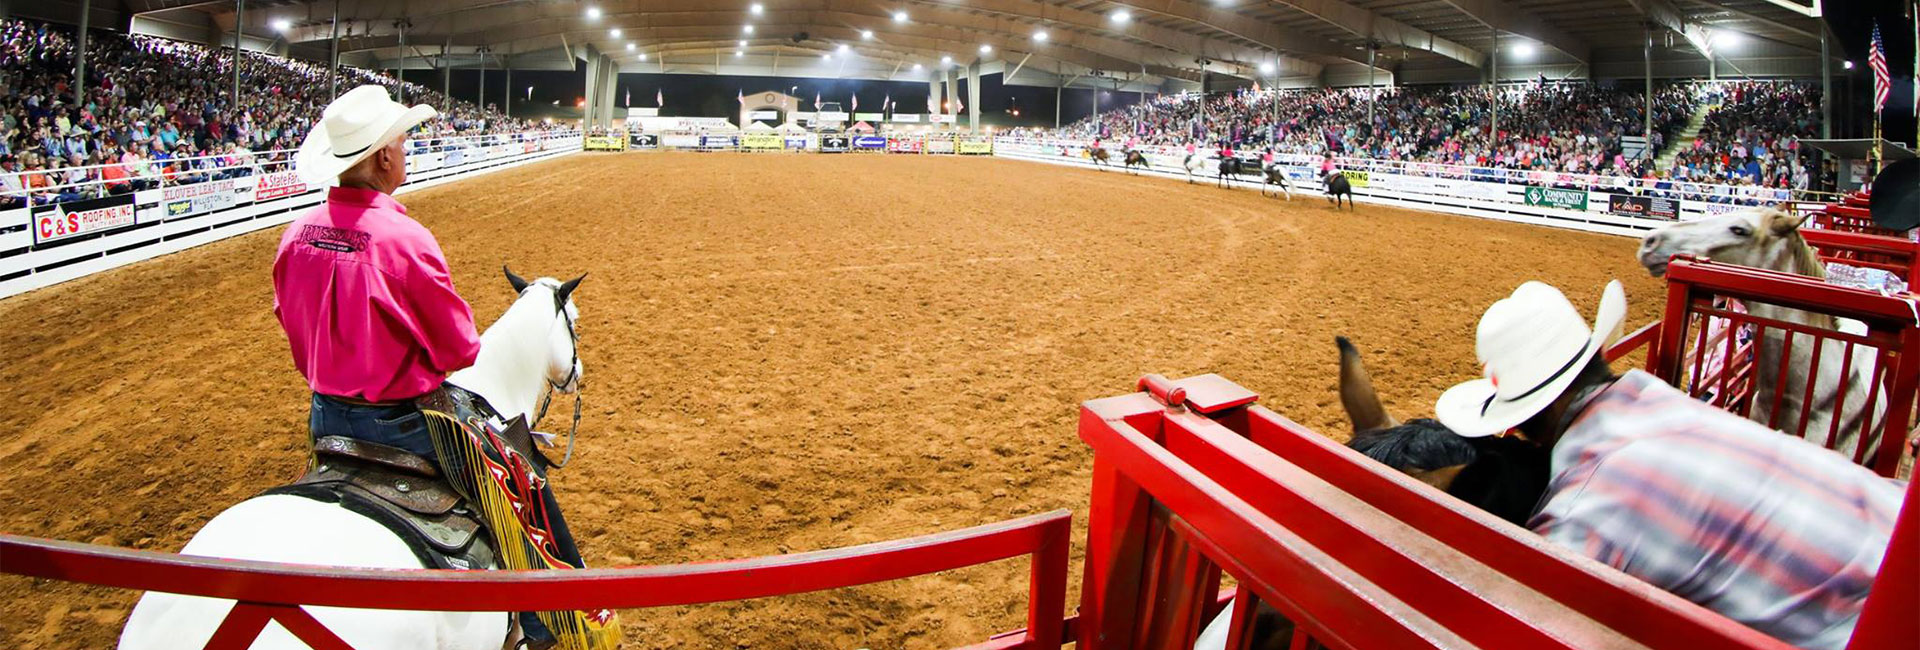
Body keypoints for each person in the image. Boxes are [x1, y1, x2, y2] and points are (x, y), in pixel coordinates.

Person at [1433, 280, 1904, 650]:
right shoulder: (1653, 398)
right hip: (1899, 536)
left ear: (1519, 424)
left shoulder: (1582, 511)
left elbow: (1529, 625)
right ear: (1596, 356)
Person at [273, 85, 476, 463]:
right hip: (401, 423)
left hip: (325, 415)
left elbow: (289, 316)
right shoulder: (405, 240)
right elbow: (460, 348)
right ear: (384, 157)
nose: (404, 153)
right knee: (512, 475)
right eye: (402, 144)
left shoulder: (296, 235)